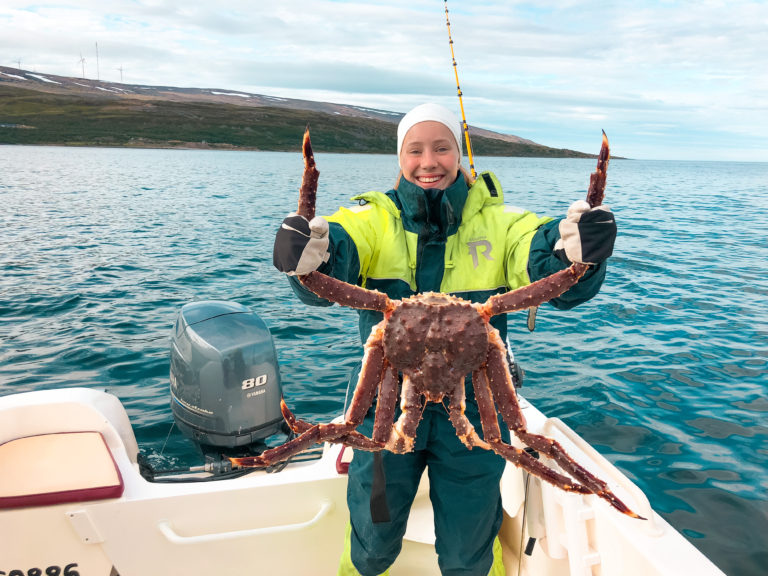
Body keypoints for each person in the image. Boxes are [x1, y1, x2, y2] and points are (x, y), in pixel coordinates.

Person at [273, 103, 616, 576]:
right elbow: (337, 253)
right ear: (400, 157)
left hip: (476, 406)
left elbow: (541, 256)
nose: (428, 161)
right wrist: (311, 255)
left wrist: (576, 251)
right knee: (372, 538)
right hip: (384, 403)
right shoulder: (372, 217)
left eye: (441, 148)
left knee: (467, 550)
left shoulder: (502, 221)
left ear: (459, 153)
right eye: (415, 150)